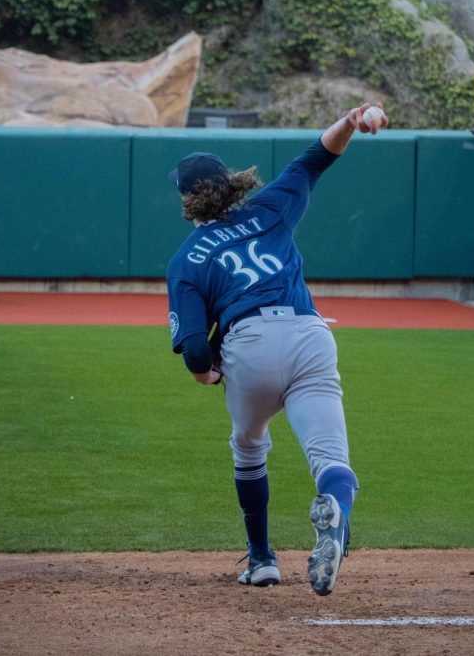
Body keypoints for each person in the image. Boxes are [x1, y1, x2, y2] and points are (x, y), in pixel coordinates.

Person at [166, 103, 388, 594]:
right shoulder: (268, 207)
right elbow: (315, 157)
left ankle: (263, 559)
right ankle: (337, 512)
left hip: (250, 348)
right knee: (331, 460)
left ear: (186, 202)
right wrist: (353, 120)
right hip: (311, 337)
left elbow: (198, 355)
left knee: (248, 447)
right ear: (230, 183)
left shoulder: (186, 259)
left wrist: (209, 374)